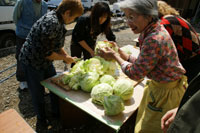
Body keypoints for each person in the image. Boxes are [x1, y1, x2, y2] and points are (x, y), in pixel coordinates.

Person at [97, 0, 187, 132]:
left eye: (132, 17)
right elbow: (145, 62)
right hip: (163, 88)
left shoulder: (153, 39)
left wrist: (114, 56)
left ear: (148, 16)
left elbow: (135, 73)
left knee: (150, 129)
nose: (128, 22)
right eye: (126, 16)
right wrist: (122, 54)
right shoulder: (155, 28)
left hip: (164, 94)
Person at [18, 0, 83, 126]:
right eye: (74, 18)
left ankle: (56, 111)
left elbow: (56, 45)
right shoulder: (51, 23)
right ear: (67, 12)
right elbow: (47, 53)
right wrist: (65, 59)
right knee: (38, 92)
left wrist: (66, 55)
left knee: (55, 85)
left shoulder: (59, 19)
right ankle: (41, 120)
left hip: (44, 61)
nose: (74, 20)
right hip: (32, 61)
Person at [157, 0, 200, 83]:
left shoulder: (165, 22)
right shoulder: (174, 17)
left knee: (182, 86)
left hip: (190, 59)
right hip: (194, 55)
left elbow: (160, 46)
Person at [13, 0, 48, 90]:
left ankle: (33, 78)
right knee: (21, 57)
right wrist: (22, 28)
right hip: (22, 35)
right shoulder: (22, 2)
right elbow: (15, 17)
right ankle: (22, 80)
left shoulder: (44, 4)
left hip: (36, 36)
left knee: (35, 57)